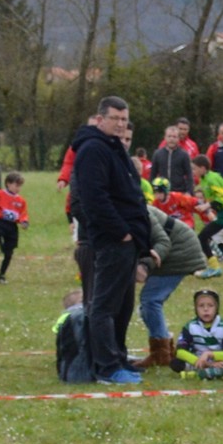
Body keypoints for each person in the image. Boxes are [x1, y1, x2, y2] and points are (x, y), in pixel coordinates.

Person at [69, 96, 152, 386]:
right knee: (104, 305)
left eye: (124, 119)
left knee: (123, 305)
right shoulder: (93, 150)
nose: (120, 124)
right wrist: (121, 231)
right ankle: (106, 367)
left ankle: (118, 357)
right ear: (100, 119)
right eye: (115, 118)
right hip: (112, 240)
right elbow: (94, 199)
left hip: (129, 242)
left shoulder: (114, 148)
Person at [141, 197, 204, 368]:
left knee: (151, 300)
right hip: (168, 253)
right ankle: (165, 349)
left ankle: (161, 355)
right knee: (148, 304)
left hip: (179, 251)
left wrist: (145, 265)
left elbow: (163, 242)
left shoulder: (140, 211)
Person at [174, 288, 223, 378]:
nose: (206, 309)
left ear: (217, 308)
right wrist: (198, 361)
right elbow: (180, 351)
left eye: (210, 306)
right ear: (196, 308)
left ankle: (195, 373)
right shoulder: (190, 326)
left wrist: (209, 354)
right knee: (175, 363)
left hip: (219, 359)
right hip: (198, 360)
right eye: (201, 306)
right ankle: (220, 373)